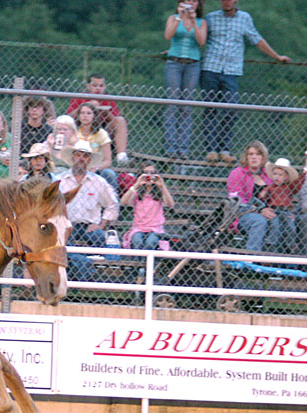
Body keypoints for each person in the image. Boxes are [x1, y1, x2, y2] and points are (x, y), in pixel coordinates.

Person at [201, 0, 290, 164]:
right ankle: (211, 150)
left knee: (231, 108)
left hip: (231, 71)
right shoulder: (211, 18)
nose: (226, 2)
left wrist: (276, 57)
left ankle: (224, 148)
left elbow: (256, 39)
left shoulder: (244, 18)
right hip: (211, 68)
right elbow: (198, 37)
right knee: (210, 108)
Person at [59, 140, 119, 280]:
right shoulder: (60, 181)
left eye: (85, 156)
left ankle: (80, 265)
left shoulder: (99, 182)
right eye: (78, 155)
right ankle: (85, 266)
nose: (81, 159)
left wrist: (101, 224)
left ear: (89, 160)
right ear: (73, 157)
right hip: (67, 226)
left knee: (100, 239)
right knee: (62, 244)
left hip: (89, 227)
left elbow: (113, 204)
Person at [163, 0, 206, 159]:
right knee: (172, 103)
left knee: (187, 106)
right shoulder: (173, 18)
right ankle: (170, 147)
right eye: (187, 1)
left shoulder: (202, 22)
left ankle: (183, 148)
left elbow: (201, 41)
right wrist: (180, 18)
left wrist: (194, 21)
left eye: (194, 1)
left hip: (192, 64)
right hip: (174, 63)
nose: (191, 4)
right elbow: (168, 35)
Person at [66, 73, 129, 165]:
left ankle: (121, 155)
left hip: (103, 130)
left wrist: (107, 113)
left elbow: (115, 120)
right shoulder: (80, 97)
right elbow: (69, 117)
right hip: (81, 129)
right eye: (95, 85)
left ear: (105, 87)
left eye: (101, 86)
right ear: (88, 86)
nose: (98, 88)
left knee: (120, 120)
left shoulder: (107, 98)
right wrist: (85, 107)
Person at [226, 140, 275, 251]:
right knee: (259, 221)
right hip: (243, 214)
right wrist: (260, 210)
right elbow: (237, 200)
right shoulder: (237, 173)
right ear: (246, 157)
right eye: (251, 154)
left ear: (263, 157)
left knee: (283, 220)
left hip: (268, 211)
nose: (254, 157)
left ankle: (278, 261)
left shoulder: (268, 175)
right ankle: (251, 259)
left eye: (258, 154)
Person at [119, 162, 175, 251]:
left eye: (152, 173)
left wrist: (162, 186)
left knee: (151, 242)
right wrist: (137, 184)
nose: (149, 176)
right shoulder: (137, 192)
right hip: (139, 227)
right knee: (137, 241)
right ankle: (138, 263)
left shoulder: (159, 193)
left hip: (155, 228)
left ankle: (146, 263)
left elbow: (170, 204)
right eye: (146, 173)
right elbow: (123, 202)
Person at [259, 158, 301, 254]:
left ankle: (290, 247)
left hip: (285, 211)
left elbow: (298, 186)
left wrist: (304, 172)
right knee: (275, 225)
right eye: (275, 174)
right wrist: (263, 194)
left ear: (286, 177)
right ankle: (271, 245)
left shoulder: (289, 187)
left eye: (280, 175)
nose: (276, 177)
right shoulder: (270, 187)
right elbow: (262, 198)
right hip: (273, 210)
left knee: (291, 227)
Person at [75, 102, 118, 190]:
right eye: (82, 113)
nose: (85, 116)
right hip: (76, 166)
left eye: (89, 113)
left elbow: (108, 161)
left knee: (109, 174)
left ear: (94, 116)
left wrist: (96, 168)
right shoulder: (74, 132)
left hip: (95, 168)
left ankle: (113, 201)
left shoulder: (101, 133)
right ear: (78, 116)